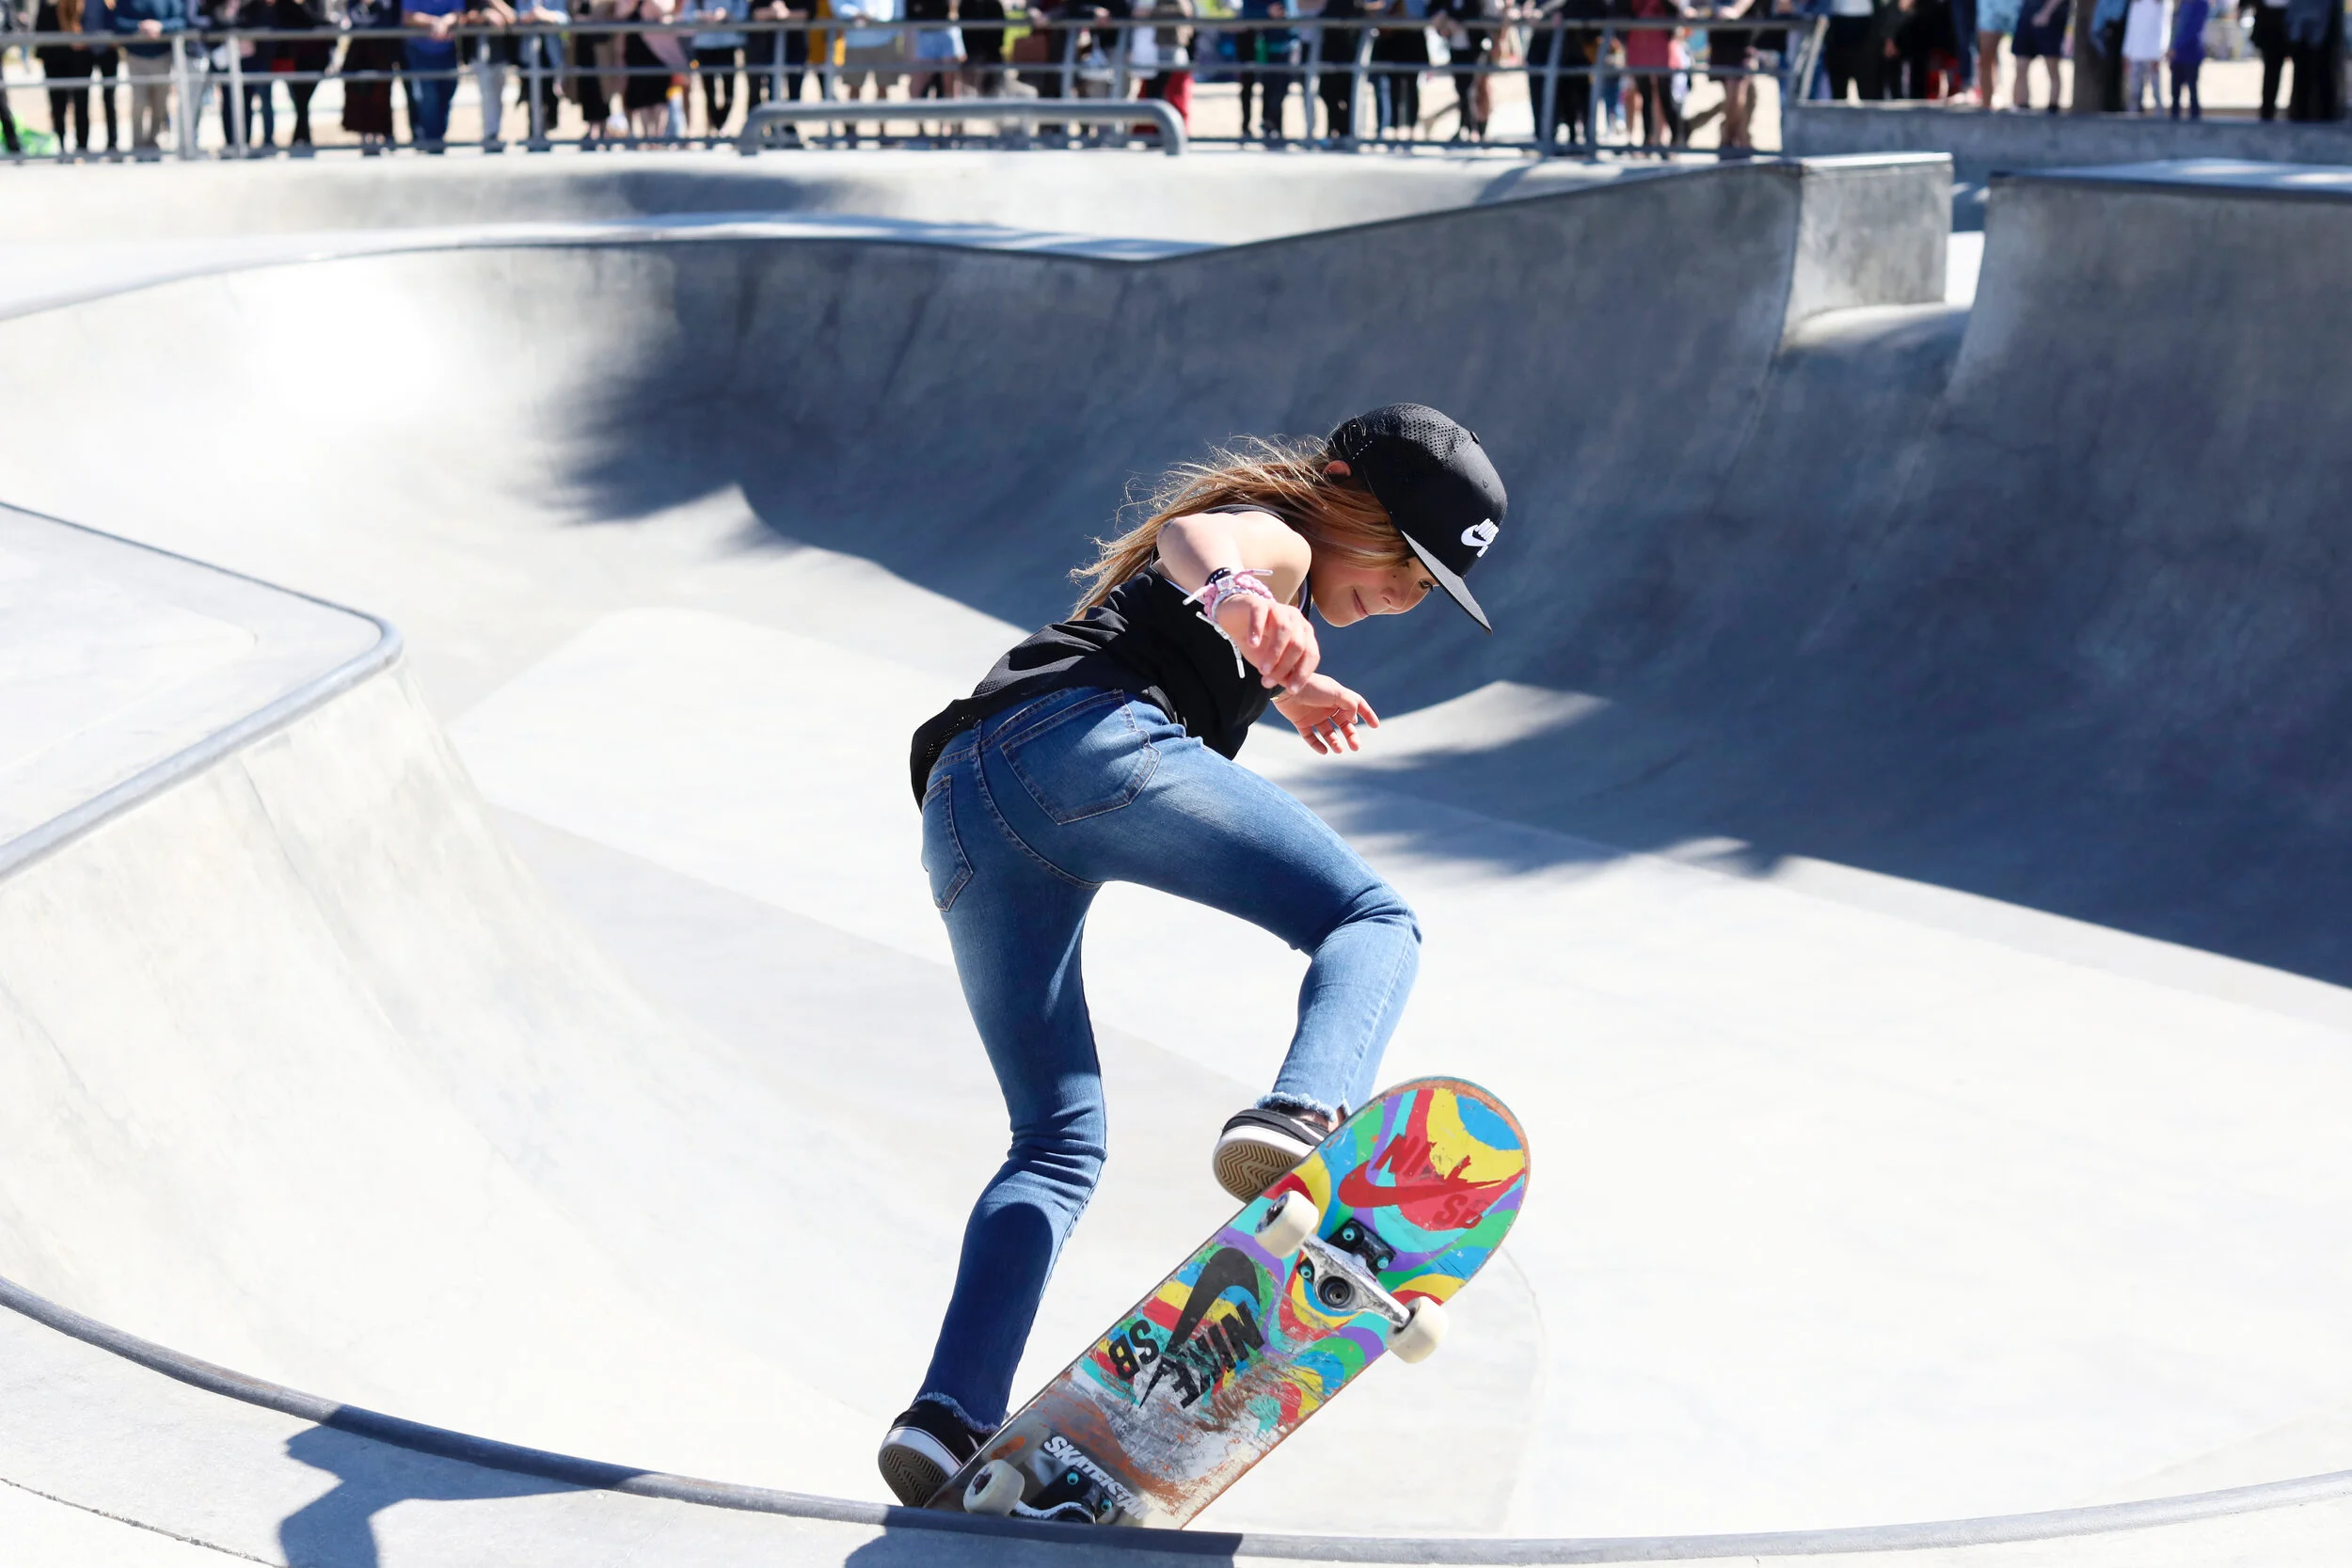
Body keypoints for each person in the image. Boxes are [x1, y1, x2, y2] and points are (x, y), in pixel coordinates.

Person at [875, 405, 1511, 1505]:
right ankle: (1306, 1116)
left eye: (1426, 592)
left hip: (966, 806)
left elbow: (1211, 599)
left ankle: (946, 1416)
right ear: (1352, 505)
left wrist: (1285, 675)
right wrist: (1243, 597)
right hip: (1082, 745)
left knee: (1057, 1141)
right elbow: (1200, 542)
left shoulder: (1281, 612)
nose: (1408, 599)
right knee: (1373, 922)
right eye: (1408, 567)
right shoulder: (1278, 537)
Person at [111, 0, 183, 154]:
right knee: (138, 102)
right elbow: (117, 21)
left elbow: (181, 20)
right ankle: (137, 145)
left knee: (160, 103)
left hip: (163, 56)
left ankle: (154, 142)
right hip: (136, 57)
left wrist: (161, 27)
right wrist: (140, 26)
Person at [39, 0, 96, 157]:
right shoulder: (48, 3)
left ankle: (82, 146)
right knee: (58, 106)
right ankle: (61, 145)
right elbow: (41, 27)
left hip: (79, 57)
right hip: (54, 59)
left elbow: (90, 21)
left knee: (81, 104)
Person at [1367, 0, 1425, 136]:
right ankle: (1393, 128)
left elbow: (1419, 14)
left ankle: (1412, 127)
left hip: (1412, 39)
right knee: (1393, 86)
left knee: (1411, 86)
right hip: (1392, 40)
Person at [1707, 0, 1757, 145]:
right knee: (1732, 97)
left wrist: (1735, 11)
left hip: (1743, 40)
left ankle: (1730, 139)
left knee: (1739, 95)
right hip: (1721, 39)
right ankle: (1731, 141)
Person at [1313, 0, 1365, 141]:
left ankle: (1342, 131)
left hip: (1344, 56)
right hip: (1334, 56)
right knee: (1330, 94)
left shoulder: (1353, 7)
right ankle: (1338, 130)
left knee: (1342, 96)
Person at [2008, 0, 2061, 106]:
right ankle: (2021, 105)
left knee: (2052, 66)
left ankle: (2053, 107)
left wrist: (2046, 12)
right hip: (2026, 13)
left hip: (2052, 16)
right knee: (2020, 65)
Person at [2120, 0, 2165, 108]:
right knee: (2133, 93)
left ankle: (2160, 120)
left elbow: (2163, 27)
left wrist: (2158, 53)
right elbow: (2131, 28)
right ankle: (2132, 119)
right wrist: (2127, 51)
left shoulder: (2158, 3)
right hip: (2135, 54)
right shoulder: (2135, 4)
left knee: (2156, 92)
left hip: (2152, 54)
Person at [1971, 0, 2014, 103]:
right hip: (1990, 6)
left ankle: (2020, 106)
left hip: (2017, 5)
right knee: (1985, 57)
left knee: (2023, 58)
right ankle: (1986, 104)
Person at [2165, 0, 2201, 111]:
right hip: (2177, 57)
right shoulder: (2180, 4)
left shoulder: (2200, 4)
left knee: (2192, 93)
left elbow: (2194, 29)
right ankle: (2173, 126)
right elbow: (2173, 27)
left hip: (2192, 54)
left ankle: (2196, 124)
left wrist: (2175, 47)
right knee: (2175, 95)